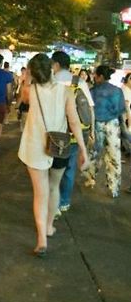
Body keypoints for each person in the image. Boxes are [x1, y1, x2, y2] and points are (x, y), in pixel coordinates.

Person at [18, 54, 88, 257]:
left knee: (40, 193)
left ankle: (41, 239)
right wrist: (82, 149)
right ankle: (49, 226)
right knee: (53, 186)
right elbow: (74, 121)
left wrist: (28, 77)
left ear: (32, 72)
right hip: (60, 146)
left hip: (35, 146)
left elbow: (22, 97)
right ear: (51, 68)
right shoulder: (66, 91)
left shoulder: (29, 91)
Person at [51, 51, 95, 213]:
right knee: (69, 168)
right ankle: (64, 201)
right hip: (76, 134)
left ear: (55, 64)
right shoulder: (79, 82)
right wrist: (92, 131)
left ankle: (52, 205)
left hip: (55, 132)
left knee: (53, 169)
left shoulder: (51, 81)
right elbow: (90, 109)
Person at [83, 65, 125, 198]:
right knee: (114, 156)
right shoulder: (117, 91)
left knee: (94, 153)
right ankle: (114, 187)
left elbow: (88, 110)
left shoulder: (92, 91)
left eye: (95, 75)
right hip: (113, 124)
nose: (94, 77)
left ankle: (91, 179)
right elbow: (121, 109)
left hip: (97, 125)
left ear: (100, 76)